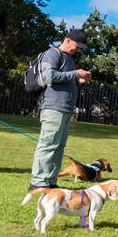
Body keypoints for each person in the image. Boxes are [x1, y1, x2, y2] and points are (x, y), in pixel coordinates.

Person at [28, 29, 91, 190]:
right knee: (48, 144)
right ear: (67, 40)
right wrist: (75, 73)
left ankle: (51, 180)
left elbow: (66, 79)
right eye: (77, 46)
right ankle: (39, 182)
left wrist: (79, 81)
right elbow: (49, 76)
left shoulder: (68, 58)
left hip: (65, 108)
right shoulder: (53, 53)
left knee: (58, 146)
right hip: (53, 107)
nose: (77, 50)